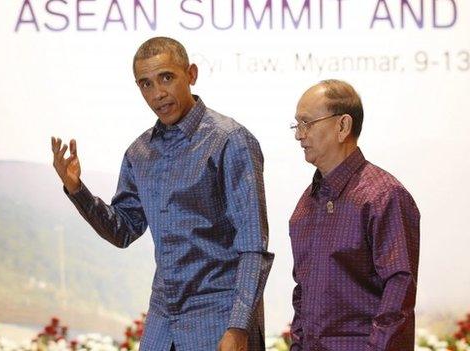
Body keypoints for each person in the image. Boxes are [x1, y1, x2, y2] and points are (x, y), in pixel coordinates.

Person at [51, 37, 274, 351]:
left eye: (166, 78)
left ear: (191, 74)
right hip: (163, 319)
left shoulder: (230, 140)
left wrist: (239, 326)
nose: (157, 94)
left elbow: (253, 246)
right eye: (145, 84)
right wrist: (77, 189)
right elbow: (123, 231)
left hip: (219, 316)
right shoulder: (138, 153)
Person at [288, 79, 420, 350]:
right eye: (296, 125)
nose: (299, 135)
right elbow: (302, 293)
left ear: (342, 126)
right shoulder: (306, 204)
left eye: (306, 123)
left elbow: (398, 292)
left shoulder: (383, 195)